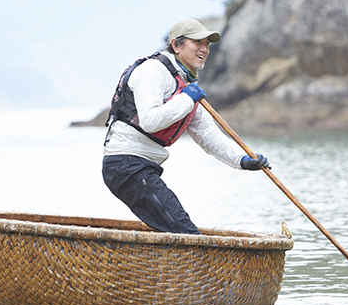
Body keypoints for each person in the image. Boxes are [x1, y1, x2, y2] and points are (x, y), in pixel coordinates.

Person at [102, 18, 270, 235]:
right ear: (176, 45)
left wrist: (243, 160)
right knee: (186, 233)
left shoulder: (185, 83)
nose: (204, 49)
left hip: (143, 167)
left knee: (175, 231)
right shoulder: (153, 70)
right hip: (125, 164)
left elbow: (208, 135)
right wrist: (186, 99)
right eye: (198, 42)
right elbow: (150, 121)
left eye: (207, 44)